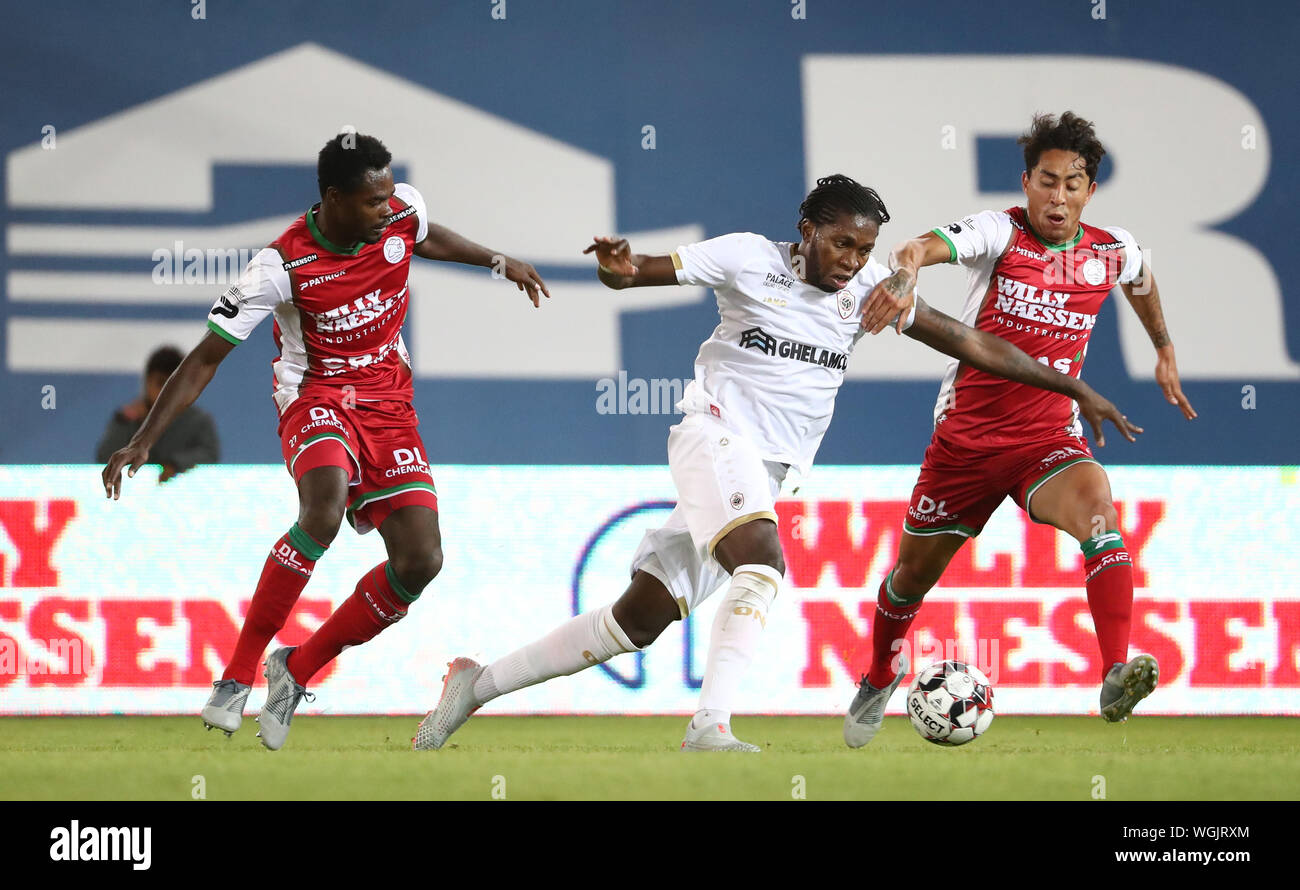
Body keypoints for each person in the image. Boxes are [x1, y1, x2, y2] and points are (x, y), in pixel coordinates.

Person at [414, 174, 1139, 752]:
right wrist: (618, 267)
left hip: (766, 475)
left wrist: (1071, 384)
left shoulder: (867, 292)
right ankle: (711, 727)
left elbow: (971, 343)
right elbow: (639, 272)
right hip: (713, 436)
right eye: (843, 244)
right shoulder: (747, 257)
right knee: (762, 566)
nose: (854, 261)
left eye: (865, 249)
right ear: (807, 232)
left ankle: (476, 684)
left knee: (637, 620)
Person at [101, 132, 550, 750]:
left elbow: (429, 235)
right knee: (325, 507)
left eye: (391, 197)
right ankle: (235, 675)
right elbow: (206, 357)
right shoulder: (281, 264)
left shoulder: (399, 215)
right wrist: (146, 439)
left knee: (422, 561)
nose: (387, 210)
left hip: (390, 404)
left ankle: (295, 669)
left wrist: (499, 261)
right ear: (334, 198)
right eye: (372, 202)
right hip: (315, 398)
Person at [842, 112, 1197, 749]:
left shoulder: (1111, 249)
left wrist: (1163, 347)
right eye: (1046, 181)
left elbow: (1140, 276)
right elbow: (919, 247)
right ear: (1026, 181)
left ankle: (1115, 671)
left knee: (1101, 519)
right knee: (908, 581)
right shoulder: (999, 232)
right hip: (967, 444)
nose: (1057, 197)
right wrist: (907, 272)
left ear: (1090, 193)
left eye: (1072, 184)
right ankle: (876, 676)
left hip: (1048, 439)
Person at [95, 345, 219, 480]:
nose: (165, 392)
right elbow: (104, 459)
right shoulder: (127, 418)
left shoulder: (198, 421)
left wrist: (174, 464)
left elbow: (210, 454)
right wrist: (126, 424)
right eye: (160, 383)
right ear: (147, 382)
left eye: (172, 385)